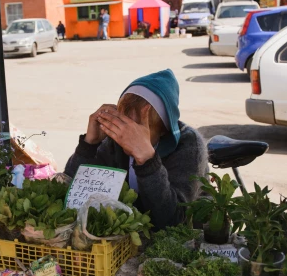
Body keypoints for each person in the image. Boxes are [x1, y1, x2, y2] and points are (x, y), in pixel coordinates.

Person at [65, 69, 208, 230]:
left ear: (163, 130)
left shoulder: (189, 145)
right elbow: (68, 192)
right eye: (124, 123)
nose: (128, 136)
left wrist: (147, 160)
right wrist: (88, 145)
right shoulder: (116, 139)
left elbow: (172, 221)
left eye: (138, 129)